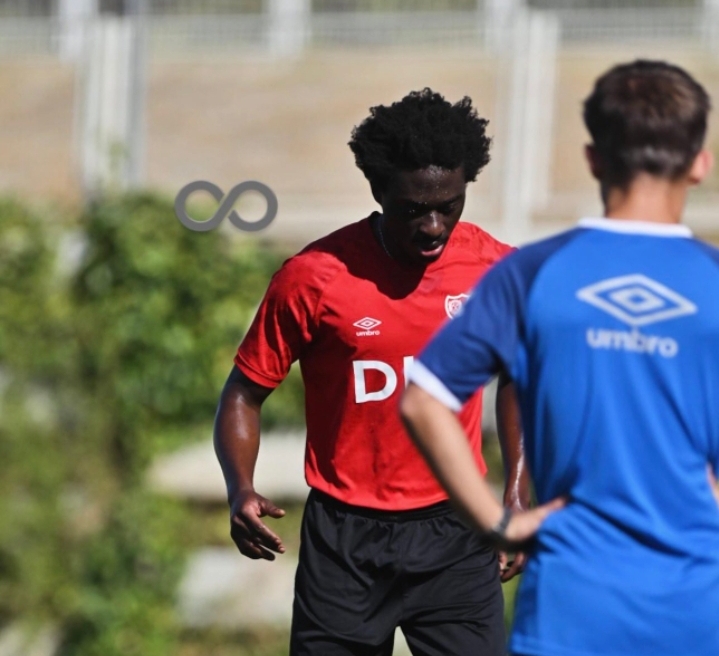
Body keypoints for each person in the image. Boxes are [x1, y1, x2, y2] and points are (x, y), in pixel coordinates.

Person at [400, 60, 719, 656]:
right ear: (699, 163)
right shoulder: (713, 282)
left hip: (571, 607)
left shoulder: (532, 273)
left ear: (594, 159)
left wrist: (500, 523)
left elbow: (423, 401)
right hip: (699, 606)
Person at [214, 88, 530, 656]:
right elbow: (244, 390)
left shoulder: (495, 271)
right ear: (379, 192)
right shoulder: (313, 278)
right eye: (413, 209)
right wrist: (240, 488)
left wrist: (516, 493)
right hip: (344, 543)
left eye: (450, 205)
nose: (433, 225)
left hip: (457, 532)